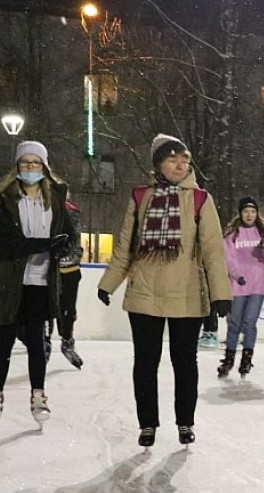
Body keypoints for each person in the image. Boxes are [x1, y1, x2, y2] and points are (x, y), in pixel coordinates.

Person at [98, 133, 232, 447]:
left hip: (186, 292)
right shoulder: (141, 196)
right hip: (144, 291)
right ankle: (148, 424)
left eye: (184, 160)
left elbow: (213, 250)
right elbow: (125, 247)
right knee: (145, 362)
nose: (180, 165)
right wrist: (109, 283)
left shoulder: (200, 199)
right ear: (159, 163)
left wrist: (220, 293)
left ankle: (185, 421)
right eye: (173, 159)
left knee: (184, 363)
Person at [0, 141, 76, 428]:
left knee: (37, 339)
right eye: (25, 163)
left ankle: (38, 394)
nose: (31, 168)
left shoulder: (56, 201)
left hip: (42, 280)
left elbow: (68, 234)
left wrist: (62, 246)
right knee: (5, 338)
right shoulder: (2, 203)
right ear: (17, 166)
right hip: (12, 279)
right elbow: (7, 245)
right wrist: (46, 244)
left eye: (36, 163)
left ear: (45, 167)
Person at [218, 196, 264, 379]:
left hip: (259, 283)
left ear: (257, 213)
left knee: (249, 322)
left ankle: (246, 358)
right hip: (239, 283)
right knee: (234, 322)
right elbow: (228, 257)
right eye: (246, 211)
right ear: (240, 213)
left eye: (253, 211)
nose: (249, 215)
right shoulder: (232, 234)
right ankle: (229, 359)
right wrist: (237, 275)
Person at [45, 198, 84, 369]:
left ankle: (67, 340)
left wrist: (67, 254)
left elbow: (74, 241)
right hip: (49, 270)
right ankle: (44, 340)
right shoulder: (44, 209)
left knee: (68, 309)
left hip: (70, 270)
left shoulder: (71, 213)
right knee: (46, 308)